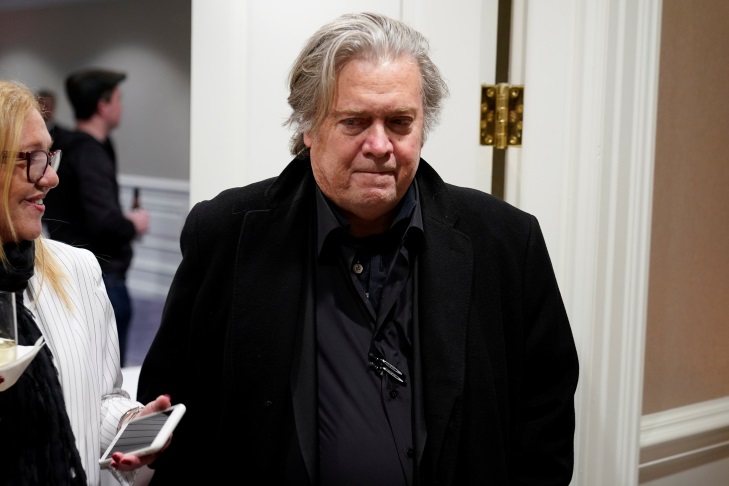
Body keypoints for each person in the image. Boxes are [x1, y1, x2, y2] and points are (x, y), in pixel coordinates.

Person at [137, 12, 579, 485]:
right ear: (308, 128)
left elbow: (546, 420)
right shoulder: (226, 233)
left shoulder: (506, 242)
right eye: (355, 122)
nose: (380, 145)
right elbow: (173, 403)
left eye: (400, 122)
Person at [0, 80, 171, 485]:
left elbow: (101, 398)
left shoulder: (77, 271)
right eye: (34, 159)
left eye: (50, 157)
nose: (50, 178)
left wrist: (131, 423)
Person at [42, 68, 149, 366]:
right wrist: (134, 223)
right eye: (118, 99)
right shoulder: (89, 154)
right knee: (107, 371)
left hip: (74, 273)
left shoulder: (68, 147)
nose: (121, 106)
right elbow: (105, 224)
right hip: (102, 280)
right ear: (103, 105)